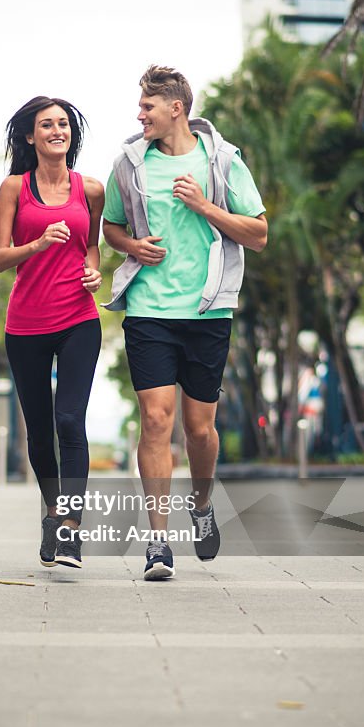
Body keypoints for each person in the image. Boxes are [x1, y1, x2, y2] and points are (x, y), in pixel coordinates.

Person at [102, 65, 267, 580]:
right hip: (149, 308)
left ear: (176, 108)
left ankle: (201, 503)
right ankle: (157, 542)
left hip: (207, 309)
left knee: (199, 429)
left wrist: (205, 206)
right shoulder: (129, 164)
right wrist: (131, 245)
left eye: (147, 106)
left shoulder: (223, 161)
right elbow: (109, 225)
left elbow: (258, 233)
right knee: (156, 419)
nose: (139, 114)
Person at [0, 96, 104, 570]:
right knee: (39, 434)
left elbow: (93, 245)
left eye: (63, 124)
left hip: (79, 319)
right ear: (30, 136)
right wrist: (37, 243)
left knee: (69, 422)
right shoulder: (14, 188)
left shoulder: (91, 189)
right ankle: (52, 512)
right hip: (26, 325)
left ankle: (70, 530)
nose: (57, 130)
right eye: (47, 125)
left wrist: (95, 272)